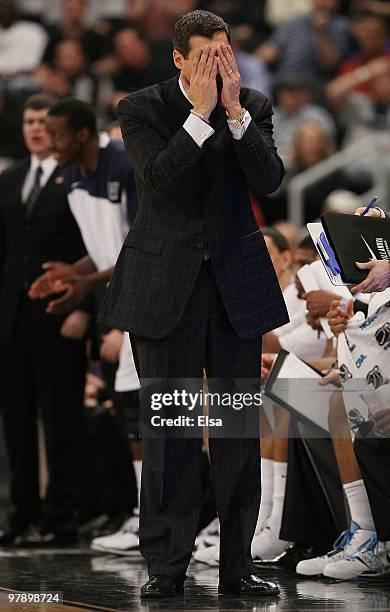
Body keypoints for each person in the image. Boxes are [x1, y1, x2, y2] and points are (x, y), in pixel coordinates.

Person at [98, 8, 288, 599]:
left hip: (235, 281)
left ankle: (237, 565)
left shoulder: (251, 104)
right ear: (179, 59)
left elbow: (270, 180)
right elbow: (160, 180)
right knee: (172, 428)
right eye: (208, 57)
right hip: (165, 284)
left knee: (234, 430)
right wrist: (201, 115)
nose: (220, 66)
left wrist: (231, 113)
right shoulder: (142, 108)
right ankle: (167, 565)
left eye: (226, 54)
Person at [28, 98, 141, 552]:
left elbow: (137, 247)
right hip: (115, 299)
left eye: (56, 135)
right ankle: (142, 513)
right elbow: (103, 249)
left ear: (79, 134)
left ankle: (170, 515)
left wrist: (82, 285)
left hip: (148, 299)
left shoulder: (123, 165)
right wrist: (71, 275)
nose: (49, 143)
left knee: (153, 413)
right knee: (130, 413)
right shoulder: (73, 174)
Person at [0, 93, 89, 546]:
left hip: (60, 312)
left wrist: (85, 310)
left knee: (61, 418)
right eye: (30, 120)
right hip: (13, 319)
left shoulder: (76, 174)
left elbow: (97, 245)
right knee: (15, 420)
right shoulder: (11, 178)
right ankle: (20, 515)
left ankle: (61, 517)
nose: (36, 128)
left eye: (43, 121)